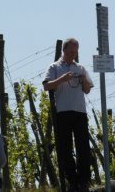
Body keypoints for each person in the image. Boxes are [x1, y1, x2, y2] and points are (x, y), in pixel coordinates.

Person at [43, 38, 93, 192]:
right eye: (71, 51)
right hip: (63, 112)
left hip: (80, 112)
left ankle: (84, 181)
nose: (73, 55)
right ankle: (72, 181)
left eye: (76, 52)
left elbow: (87, 90)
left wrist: (84, 80)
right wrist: (62, 79)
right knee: (65, 148)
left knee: (83, 147)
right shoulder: (54, 67)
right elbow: (46, 86)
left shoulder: (80, 68)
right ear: (63, 50)